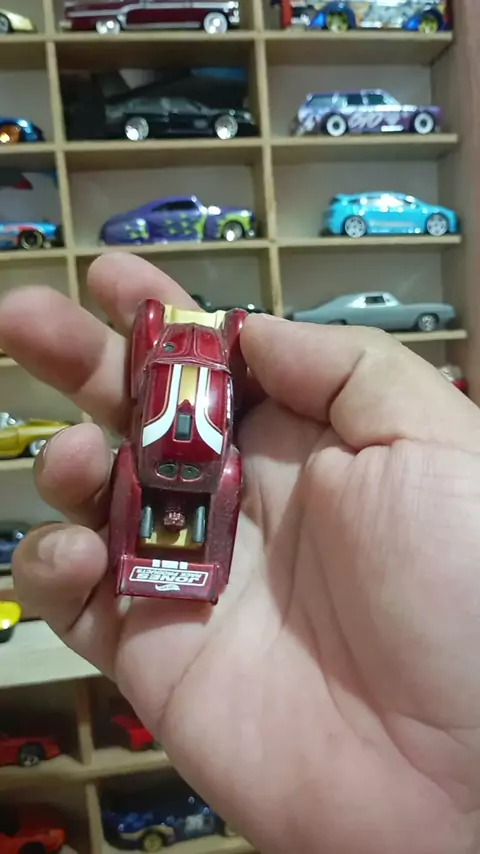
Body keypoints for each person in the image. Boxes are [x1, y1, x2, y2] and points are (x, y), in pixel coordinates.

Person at [0, 253, 479, 854]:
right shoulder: (154, 397)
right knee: (114, 487)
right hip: (156, 464)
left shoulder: (225, 419)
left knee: (207, 480)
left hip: (209, 467)